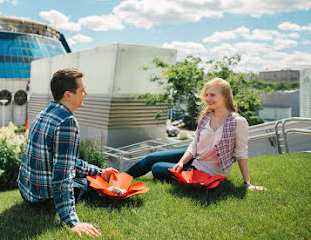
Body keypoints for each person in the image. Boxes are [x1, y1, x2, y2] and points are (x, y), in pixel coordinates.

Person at [18, 68, 116, 237]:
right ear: (68, 95)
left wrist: (99, 171)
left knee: (89, 175)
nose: (86, 93)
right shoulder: (67, 122)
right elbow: (62, 175)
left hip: (27, 192)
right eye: (82, 90)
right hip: (43, 200)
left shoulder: (44, 114)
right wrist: (72, 221)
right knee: (88, 183)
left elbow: (66, 161)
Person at [126, 78, 266, 191]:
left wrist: (247, 183)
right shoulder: (206, 117)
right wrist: (181, 162)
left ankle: (172, 172)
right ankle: (119, 178)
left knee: (156, 167)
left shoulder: (238, 122)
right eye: (207, 95)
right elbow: (194, 144)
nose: (208, 99)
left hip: (207, 170)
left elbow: (241, 153)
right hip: (196, 154)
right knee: (150, 158)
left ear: (225, 97)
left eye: (212, 95)